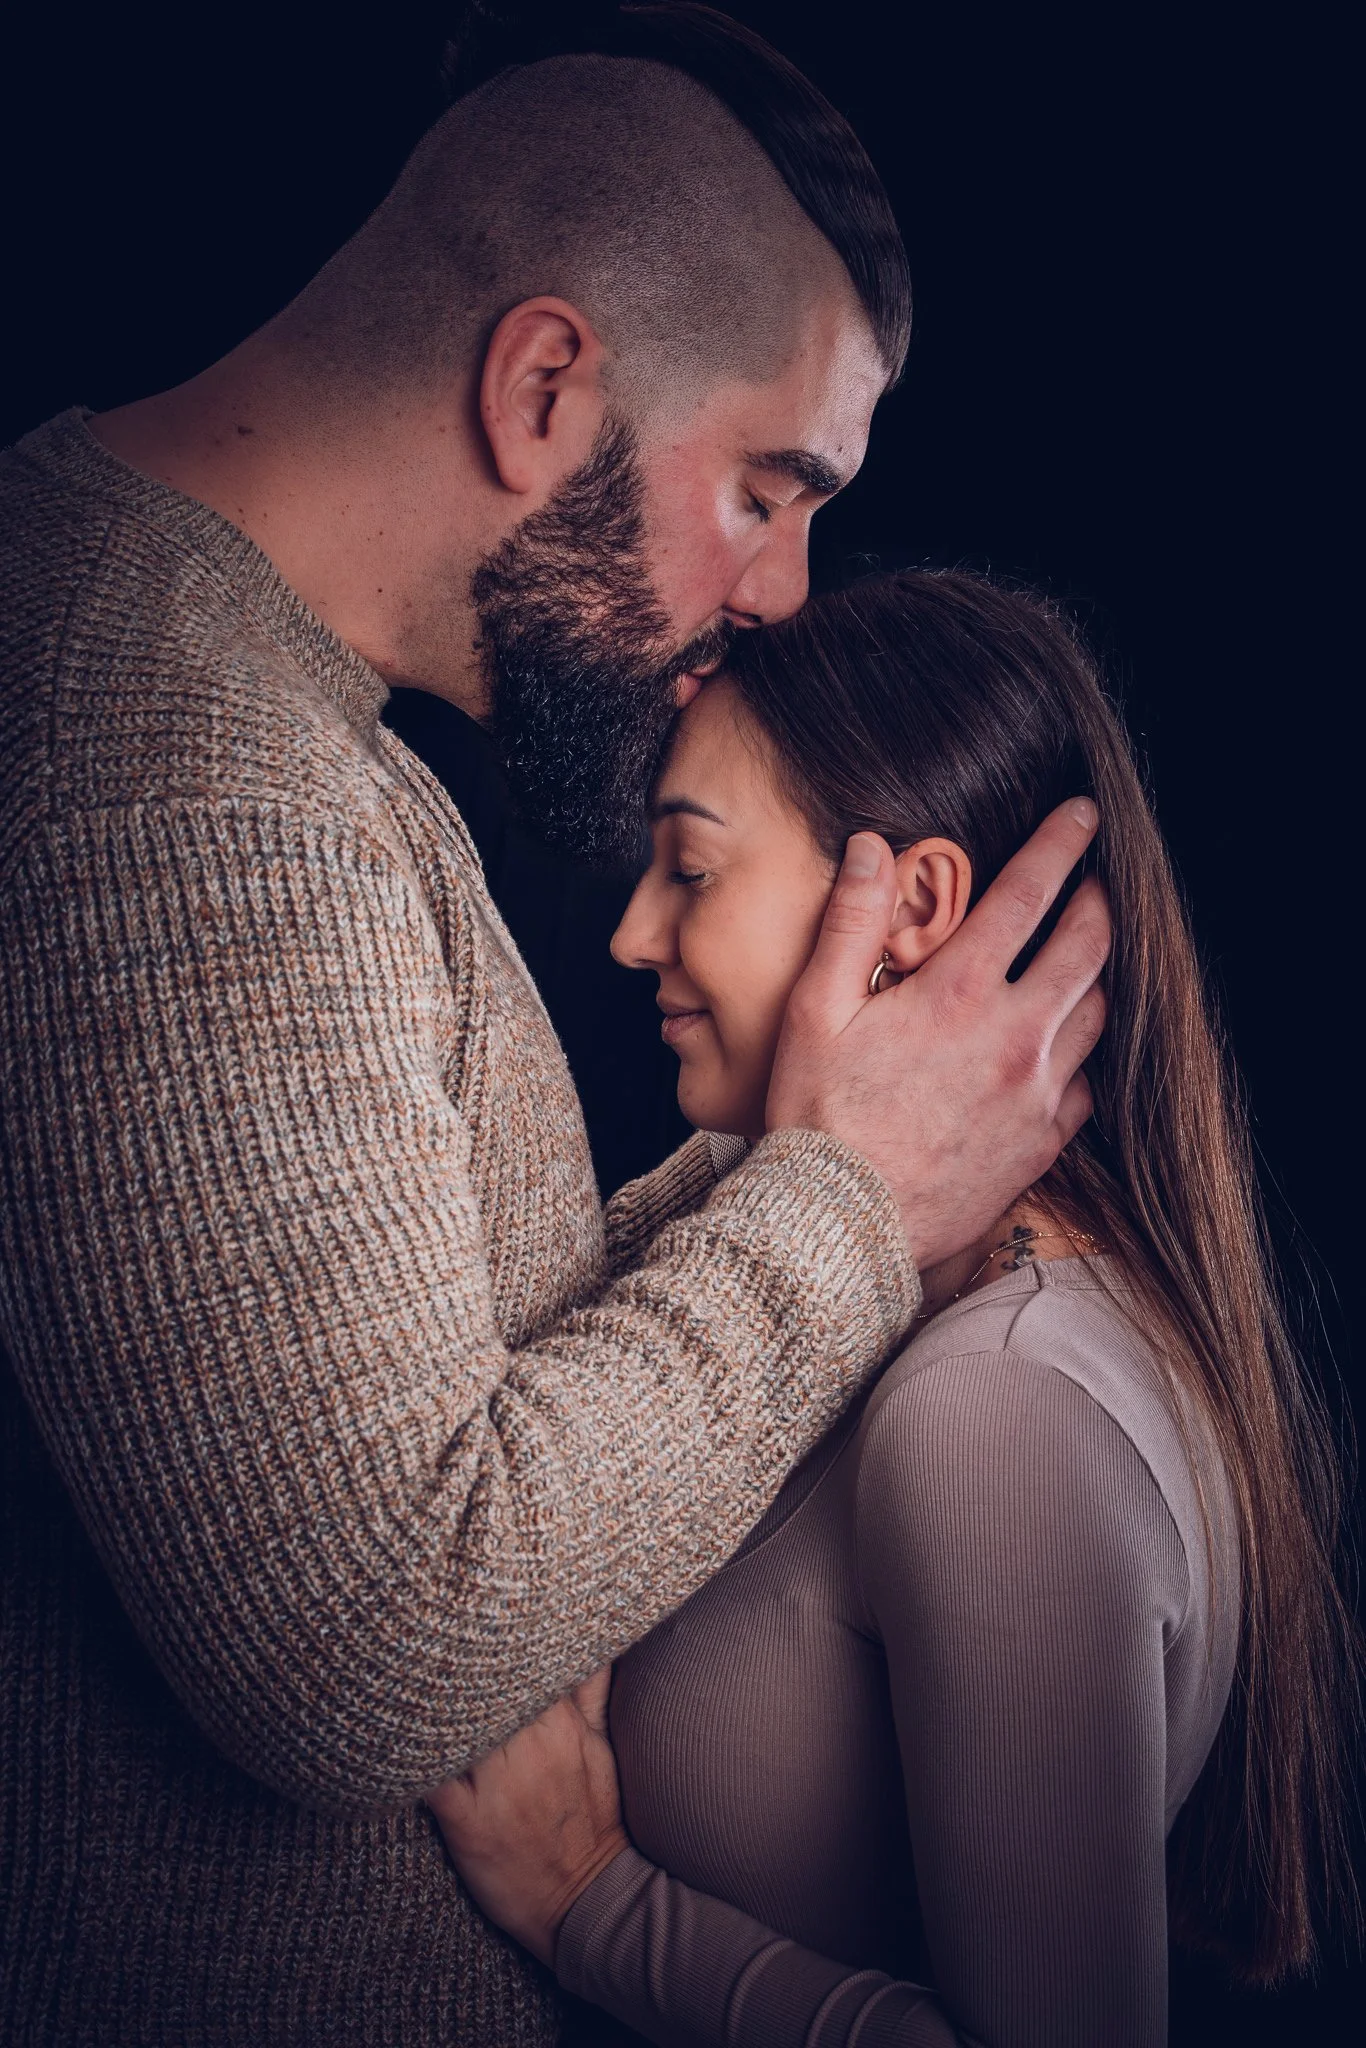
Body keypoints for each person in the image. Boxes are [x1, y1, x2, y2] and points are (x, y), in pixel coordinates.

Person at [0, 11, 1112, 2045]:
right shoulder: (171, 753)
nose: (786, 592)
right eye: (771, 488)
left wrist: (822, 1144)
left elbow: (405, 1374)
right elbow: (361, 1642)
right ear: (540, 388)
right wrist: (843, 1199)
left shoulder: (264, 715)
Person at [431, 570, 1358, 2047]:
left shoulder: (995, 1398)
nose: (628, 936)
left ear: (908, 910)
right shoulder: (946, 1323)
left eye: (691, 867)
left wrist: (588, 1899)